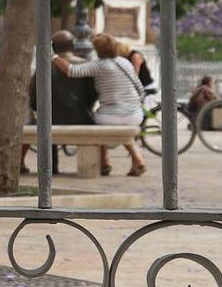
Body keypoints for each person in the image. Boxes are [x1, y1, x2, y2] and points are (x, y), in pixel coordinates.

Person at [52, 33, 147, 177]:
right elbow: (140, 87)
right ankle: (136, 159)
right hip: (135, 115)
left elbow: (70, 70)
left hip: (111, 117)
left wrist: (53, 56)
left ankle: (104, 162)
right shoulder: (125, 62)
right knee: (118, 125)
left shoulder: (98, 66)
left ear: (98, 50)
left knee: (95, 123)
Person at [29, 31, 98, 175]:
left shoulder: (44, 66)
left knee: (46, 122)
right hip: (82, 117)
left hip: (50, 118)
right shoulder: (85, 64)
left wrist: (38, 110)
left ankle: (51, 167)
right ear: (73, 45)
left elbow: (34, 96)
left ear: (53, 46)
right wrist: (87, 107)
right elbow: (93, 93)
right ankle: (98, 165)